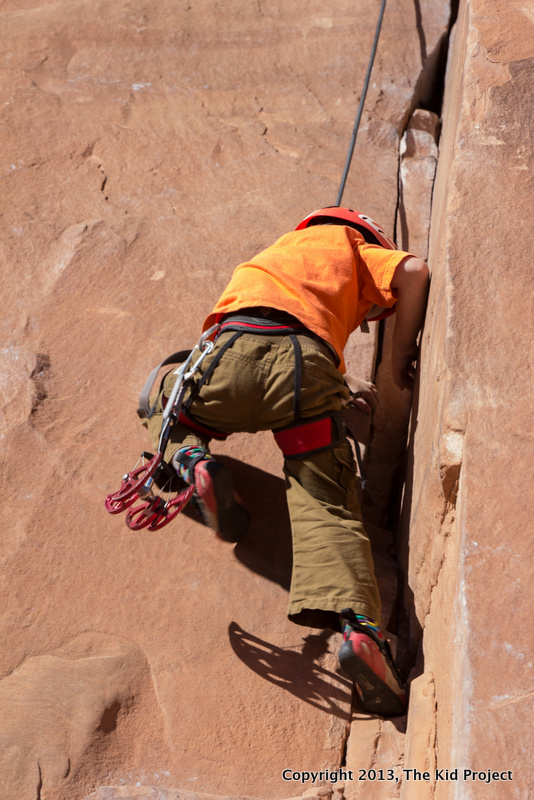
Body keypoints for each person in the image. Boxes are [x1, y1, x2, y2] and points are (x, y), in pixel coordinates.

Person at [142, 207, 429, 717]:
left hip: (225, 355)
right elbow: (413, 272)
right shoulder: (356, 247)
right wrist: (398, 354)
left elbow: (267, 330)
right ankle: (361, 634)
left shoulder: (272, 255)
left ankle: (189, 456)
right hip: (303, 375)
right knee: (327, 500)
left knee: (163, 398)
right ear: (366, 236)